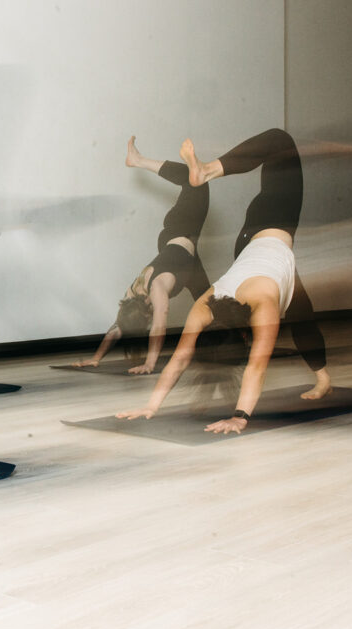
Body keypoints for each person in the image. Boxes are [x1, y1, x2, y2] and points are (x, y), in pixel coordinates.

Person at [117, 128, 332, 434]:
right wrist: (153, 406)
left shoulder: (262, 308)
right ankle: (323, 378)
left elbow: (255, 366)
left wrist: (240, 416)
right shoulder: (207, 303)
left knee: (279, 142)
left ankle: (208, 170)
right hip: (247, 243)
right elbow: (181, 359)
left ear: (245, 338)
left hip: (271, 226)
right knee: (302, 312)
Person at [71, 136, 211, 373]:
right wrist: (96, 358)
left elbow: (158, 326)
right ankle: (238, 337)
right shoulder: (132, 294)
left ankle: (138, 160)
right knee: (208, 300)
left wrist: (150, 363)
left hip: (181, 229)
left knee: (197, 180)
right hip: (178, 252)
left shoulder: (154, 290)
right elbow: (117, 327)